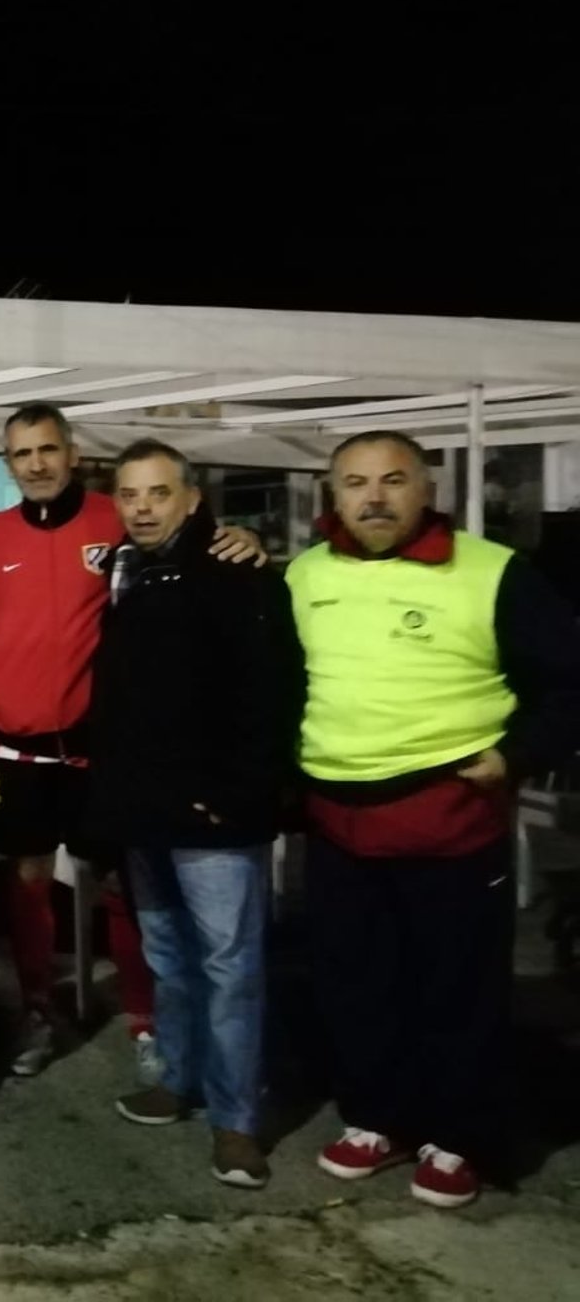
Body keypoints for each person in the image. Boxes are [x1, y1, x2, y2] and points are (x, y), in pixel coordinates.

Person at [290, 430, 580, 1209]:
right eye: (355, 483)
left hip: (448, 813)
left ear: (427, 489)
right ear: (333, 495)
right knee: (356, 981)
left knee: (456, 986)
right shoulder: (305, 574)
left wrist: (516, 757)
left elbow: (568, 681)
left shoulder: (494, 572)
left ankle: (460, 1137)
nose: (374, 497)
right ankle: (375, 1116)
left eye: (393, 480)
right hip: (337, 818)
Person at [0, 404, 260, 1077]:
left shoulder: (113, 518)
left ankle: (147, 1018)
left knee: (124, 881)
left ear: (72, 453)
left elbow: (181, 540)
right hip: (19, 744)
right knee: (28, 879)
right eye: (22, 453)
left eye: (48, 449)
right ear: (9, 463)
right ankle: (38, 1011)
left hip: (103, 745)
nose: (36, 464)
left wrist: (239, 538)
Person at [88, 440, 297, 1188]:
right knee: (171, 959)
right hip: (145, 812)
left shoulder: (238, 574)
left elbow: (272, 693)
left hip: (215, 817)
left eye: (158, 493)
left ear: (192, 498)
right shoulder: (129, 570)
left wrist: (238, 794)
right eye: (130, 494)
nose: (142, 507)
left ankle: (236, 1122)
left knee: (230, 969)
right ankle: (178, 1080)